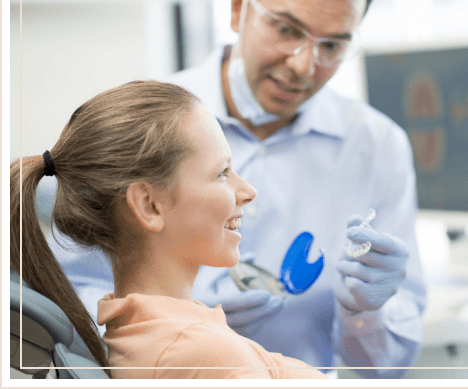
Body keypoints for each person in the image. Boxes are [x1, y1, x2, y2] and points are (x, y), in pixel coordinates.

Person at [45, 0, 426, 378]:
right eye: (286, 30)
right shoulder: (148, 123)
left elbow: (384, 372)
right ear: (238, 7)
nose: (305, 65)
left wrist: (367, 314)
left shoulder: (377, 147)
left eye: (332, 45)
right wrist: (181, 315)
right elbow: (61, 304)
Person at [10, 81, 332, 379]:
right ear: (150, 205)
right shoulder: (201, 355)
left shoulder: (151, 334)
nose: (248, 190)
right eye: (222, 173)